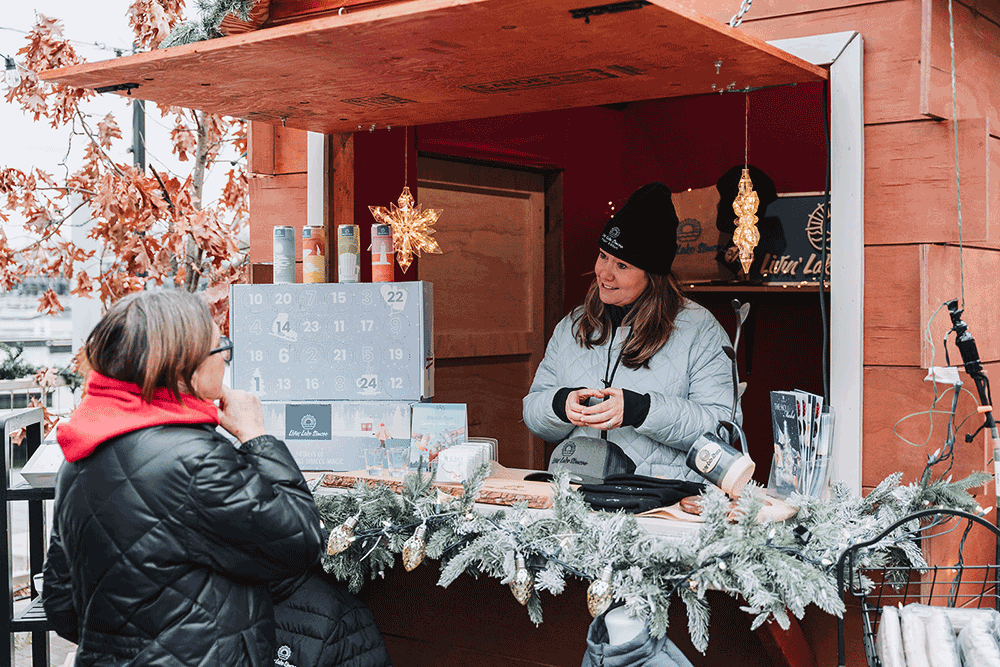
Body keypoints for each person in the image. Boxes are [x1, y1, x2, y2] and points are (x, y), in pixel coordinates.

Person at [42, 290, 326, 667]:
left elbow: (61, 601)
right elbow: (301, 540)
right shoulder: (197, 460)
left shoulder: (80, 452)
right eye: (219, 347)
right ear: (184, 368)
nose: (225, 358)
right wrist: (256, 436)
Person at [522, 182, 740, 482]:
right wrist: (560, 405)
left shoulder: (700, 330)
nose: (604, 273)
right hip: (576, 499)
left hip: (661, 502)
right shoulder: (573, 325)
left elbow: (724, 430)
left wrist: (644, 410)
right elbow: (534, 411)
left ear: (652, 275)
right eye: (603, 256)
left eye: (622, 265)